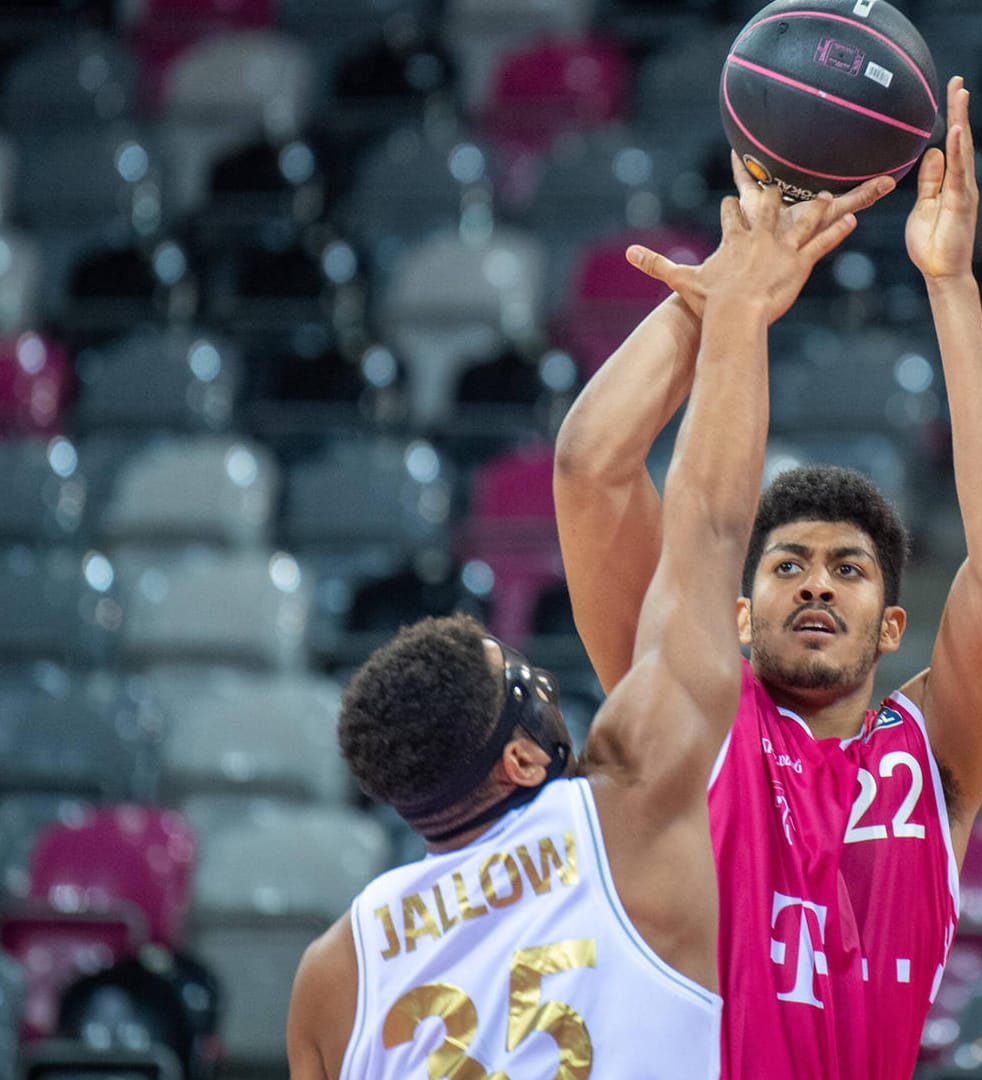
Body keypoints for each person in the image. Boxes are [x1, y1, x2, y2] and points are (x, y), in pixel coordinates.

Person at [285, 169, 866, 1080]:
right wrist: (738, 305)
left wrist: (717, 289)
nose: (556, 690)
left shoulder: (336, 971)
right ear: (520, 760)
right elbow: (704, 523)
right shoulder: (629, 809)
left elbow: (592, 474)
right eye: (531, 690)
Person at [553, 77, 982, 1078]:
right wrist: (722, 298)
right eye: (787, 565)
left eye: (849, 569)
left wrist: (952, 284)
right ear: (738, 613)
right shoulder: (691, 717)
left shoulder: (930, 759)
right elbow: (590, 469)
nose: (817, 585)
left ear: (893, 624)